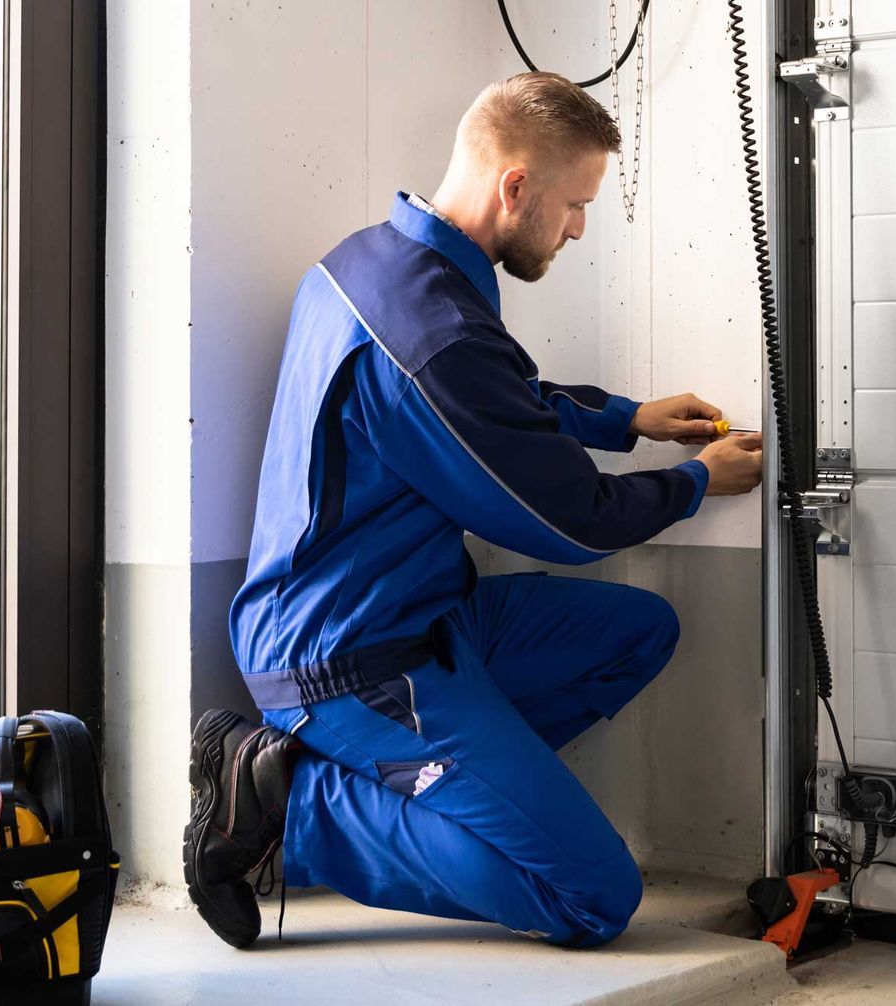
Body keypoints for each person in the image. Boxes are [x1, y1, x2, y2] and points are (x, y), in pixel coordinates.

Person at [184, 71, 764, 950]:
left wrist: (627, 419)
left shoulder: (374, 263)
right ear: (516, 187)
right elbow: (571, 522)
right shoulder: (429, 333)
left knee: (638, 632)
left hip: (424, 616)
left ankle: (445, 797)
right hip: (348, 661)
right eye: (574, 204)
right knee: (594, 898)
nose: (576, 228)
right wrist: (693, 483)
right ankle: (290, 805)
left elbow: (499, 401)